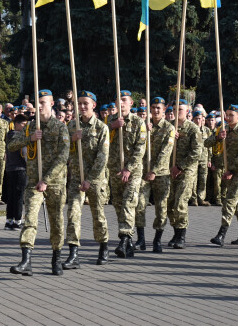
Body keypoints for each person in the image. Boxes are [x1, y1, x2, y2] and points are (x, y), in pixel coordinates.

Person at [9, 89, 70, 276]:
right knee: (30, 219)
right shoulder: (30, 127)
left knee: (57, 222)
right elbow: (11, 146)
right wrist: (29, 139)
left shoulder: (60, 128)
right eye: (38, 102)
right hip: (34, 182)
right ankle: (26, 260)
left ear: (51, 104)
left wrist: (47, 180)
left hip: (55, 183)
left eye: (44, 102)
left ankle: (56, 257)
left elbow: (63, 157)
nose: (41, 105)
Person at [63, 91, 110, 268]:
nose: (82, 107)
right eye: (80, 103)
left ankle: (103, 247)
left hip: (95, 180)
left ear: (93, 105)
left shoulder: (101, 128)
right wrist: (72, 140)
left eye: (85, 103)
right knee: (73, 213)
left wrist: (89, 179)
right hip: (76, 177)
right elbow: (63, 152)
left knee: (98, 216)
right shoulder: (71, 126)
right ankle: (73, 252)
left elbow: (102, 157)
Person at [106, 90, 147, 258]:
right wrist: (111, 127)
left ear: (131, 103)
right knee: (118, 205)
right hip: (114, 170)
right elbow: (99, 140)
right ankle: (128, 241)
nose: (121, 103)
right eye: (118, 100)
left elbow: (140, 150)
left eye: (124, 100)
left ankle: (123, 238)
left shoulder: (138, 123)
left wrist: (128, 169)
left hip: (133, 172)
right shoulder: (109, 121)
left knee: (129, 203)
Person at [207, 105, 238, 246]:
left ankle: (221, 234)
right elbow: (206, 143)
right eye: (226, 114)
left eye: (231, 115)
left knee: (230, 200)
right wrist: (217, 137)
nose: (228, 117)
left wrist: (231, 170)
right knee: (237, 201)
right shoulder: (224, 129)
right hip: (230, 170)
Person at [134, 97, 174, 253]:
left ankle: (157, 240)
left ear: (164, 110)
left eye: (159, 108)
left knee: (161, 207)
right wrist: (145, 132)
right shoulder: (144, 127)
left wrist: (154, 171)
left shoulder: (169, 128)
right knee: (139, 204)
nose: (156, 110)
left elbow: (166, 152)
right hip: (144, 172)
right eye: (153, 108)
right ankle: (141, 239)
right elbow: (137, 147)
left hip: (161, 174)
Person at [167, 99, 202, 249]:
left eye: (180, 109)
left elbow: (196, 152)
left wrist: (180, 166)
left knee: (180, 202)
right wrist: (169, 138)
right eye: (174, 109)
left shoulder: (193, 129)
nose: (176, 111)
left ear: (187, 111)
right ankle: (176, 231)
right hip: (170, 170)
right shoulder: (169, 127)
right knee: (169, 204)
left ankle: (181, 235)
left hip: (186, 171)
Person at [4, 114, 28, 230]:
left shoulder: (9, 135)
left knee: (12, 195)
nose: (25, 126)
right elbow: (25, 154)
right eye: (23, 124)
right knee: (19, 196)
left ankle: (9, 220)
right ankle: (17, 221)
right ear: (17, 124)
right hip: (20, 169)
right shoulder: (19, 136)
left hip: (10, 168)